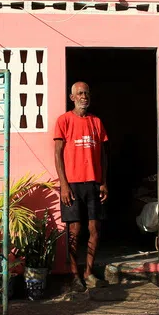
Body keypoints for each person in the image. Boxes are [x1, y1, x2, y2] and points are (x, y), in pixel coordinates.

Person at [53, 81, 108, 292]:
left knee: (94, 228)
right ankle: (75, 275)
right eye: (80, 93)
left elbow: (103, 155)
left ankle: (89, 273)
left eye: (87, 93)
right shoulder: (64, 121)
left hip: (93, 183)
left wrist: (103, 182)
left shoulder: (96, 122)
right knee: (74, 230)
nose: (84, 96)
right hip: (72, 185)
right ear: (72, 97)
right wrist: (64, 185)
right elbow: (57, 154)